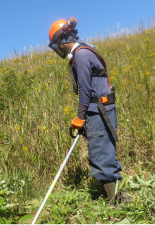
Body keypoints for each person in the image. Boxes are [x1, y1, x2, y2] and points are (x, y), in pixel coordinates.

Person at [48, 17, 130, 206]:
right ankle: (122, 200)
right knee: (105, 154)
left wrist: (80, 117)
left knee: (101, 156)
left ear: (62, 40)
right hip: (101, 111)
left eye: (57, 45)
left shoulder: (81, 55)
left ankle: (118, 204)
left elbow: (86, 91)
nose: (58, 49)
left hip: (98, 112)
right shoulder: (86, 51)